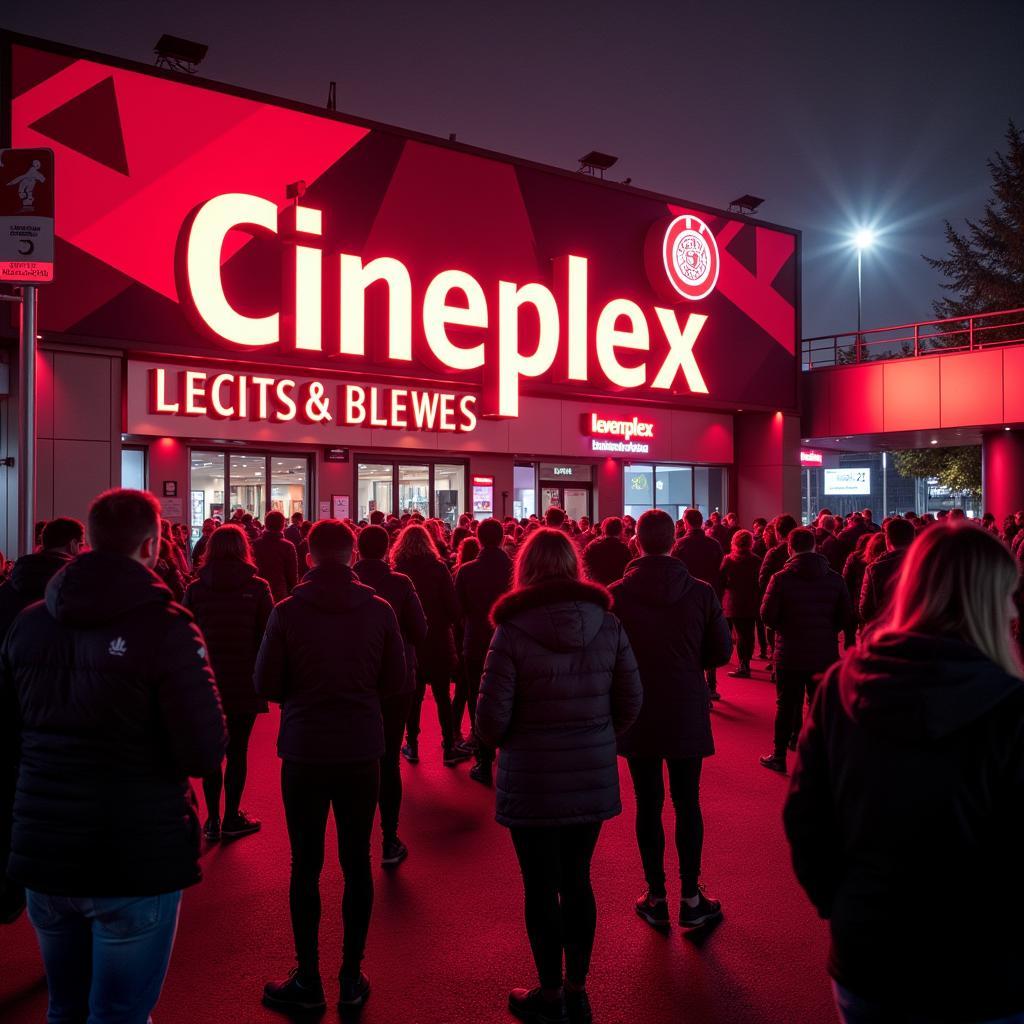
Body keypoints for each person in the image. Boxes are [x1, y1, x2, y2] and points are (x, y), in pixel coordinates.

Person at [784, 523, 1024, 1024]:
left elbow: (806, 819)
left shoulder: (841, 687)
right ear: (986, 602)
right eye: (1008, 596)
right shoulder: (1010, 710)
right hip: (985, 971)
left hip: (868, 952)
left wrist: (845, 905)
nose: (1014, 611)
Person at [0, 489, 225, 1023]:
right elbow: (204, 748)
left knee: (65, 1008)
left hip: (45, 844)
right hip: (134, 851)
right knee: (119, 1015)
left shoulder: (30, 622)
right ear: (151, 546)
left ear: (88, 540)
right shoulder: (167, 625)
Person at [476, 529, 642, 1024]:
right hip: (589, 769)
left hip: (532, 775)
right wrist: (598, 735)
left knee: (539, 886)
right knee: (578, 879)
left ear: (524, 568)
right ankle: (578, 988)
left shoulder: (511, 630)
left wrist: (516, 740)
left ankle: (549, 993)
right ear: (576, 566)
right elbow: (632, 700)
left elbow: (489, 720)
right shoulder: (607, 625)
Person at [255, 520, 406, 1012]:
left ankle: (308, 977)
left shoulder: (287, 611)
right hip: (362, 746)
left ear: (310, 555)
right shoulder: (380, 609)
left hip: (304, 746)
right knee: (357, 860)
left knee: (306, 863)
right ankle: (350, 973)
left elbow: (267, 683)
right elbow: (394, 680)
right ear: (351, 554)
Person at [610, 510, 731, 932]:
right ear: (674, 538)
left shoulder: (617, 594)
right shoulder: (700, 592)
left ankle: (656, 894)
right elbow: (720, 652)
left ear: (636, 541)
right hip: (683, 703)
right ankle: (692, 897)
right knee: (687, 802)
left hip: (637, 708)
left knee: (647, 803)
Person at [0, 516, 85, 925]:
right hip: (65, 717)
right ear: (73, 545)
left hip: (11, 710)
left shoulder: (7, 590)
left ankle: (11, 886)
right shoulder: (81, 595)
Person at [183, 524, 274, 842]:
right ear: (243, 549)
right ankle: (232, 814)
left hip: (206, 678)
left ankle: (211, 818)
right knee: (238, 750)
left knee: (212, 749)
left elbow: (184, 632)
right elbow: (269, 635)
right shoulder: (258, 587)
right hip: (244, 677)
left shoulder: (196, 588)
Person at [353, 524, 428, 868]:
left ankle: (356, 841)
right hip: (397, 680)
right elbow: (420, 629)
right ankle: (389, 837)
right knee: (388, 761)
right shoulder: (400, 584)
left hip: (354, 681)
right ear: (386, 550)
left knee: (356, 759)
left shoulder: (347, 583)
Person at [759, 527, 852, 774]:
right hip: (824, 652)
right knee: (820, 705)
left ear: (790, 548)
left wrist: (784, 628)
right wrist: (827, 630)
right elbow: (846, 615)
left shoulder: (780, 578)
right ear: (815, 546)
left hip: (789, 650)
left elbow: (767, 615)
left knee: (786, 705)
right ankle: (820, 756)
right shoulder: (834, 578)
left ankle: (779, 755)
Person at [392, 524, 467, 767]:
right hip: (437, 637)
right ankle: (448, 746)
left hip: (411, 639)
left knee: (413, 695)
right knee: (443, 695)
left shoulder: (399, 570)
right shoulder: (438, 568)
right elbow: (452, 605)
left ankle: (412, 743)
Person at [454, 518, 514, 786]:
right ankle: (508, 746)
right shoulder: (514, 568)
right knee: (511, 693)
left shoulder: (467, 571)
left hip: (476, 639)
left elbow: (458, 610)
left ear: (478, 539)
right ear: (502, 538)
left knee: (476, 696)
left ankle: (483, 756)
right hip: (511, 639)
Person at [671, 508, 724, 699]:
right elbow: (721, 570)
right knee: (709, 638)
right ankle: (711, 686)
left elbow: (675, 572)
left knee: (692, 640)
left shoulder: (680, 545)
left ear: (685, 522)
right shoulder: (714, 544)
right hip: (711, 595)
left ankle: (698, 685)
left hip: (687, 597)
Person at [858, 515, 915, 626]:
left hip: (886, 629)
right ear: (913, 538)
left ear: (887, 540)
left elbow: (866, 610)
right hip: (919, 630)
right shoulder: (927, 564)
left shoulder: (875, 569)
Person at [720, 529, 762, 678]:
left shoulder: (728, 560)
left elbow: (722, 581)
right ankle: (746, 662)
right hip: (751, 601)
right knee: (748, 634)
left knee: (739, 635)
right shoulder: (756, 560)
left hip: (734, 602)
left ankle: (743, 665)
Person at [252, 509, 298, 602]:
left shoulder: (255, 545)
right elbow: (292, 575)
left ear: (266, 524)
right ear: (283, 525)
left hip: (257, 592)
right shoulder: (287, 546)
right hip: (280, 593)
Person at [581, 516, 632, 586]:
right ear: (621, 530)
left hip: (596, 586)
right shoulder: (623, 548)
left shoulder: (592, 546)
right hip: (616, 588)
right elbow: (628, 570)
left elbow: (584, 564)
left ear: (603, 529)